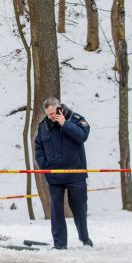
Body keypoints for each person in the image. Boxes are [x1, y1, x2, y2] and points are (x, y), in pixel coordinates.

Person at [34, 97, 92, 249]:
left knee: (79, 208)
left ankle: (84, 238)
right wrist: (44, 166)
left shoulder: (75, 119)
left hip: (75, 173)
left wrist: (64, 124)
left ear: (59, 108)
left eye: (53, 113)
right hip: (54, 175)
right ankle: (60, 244)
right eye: (48, 114)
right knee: (56, 211)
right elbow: (38, 147)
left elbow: (82, 136)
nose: (51, 117)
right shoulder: (43, 126)